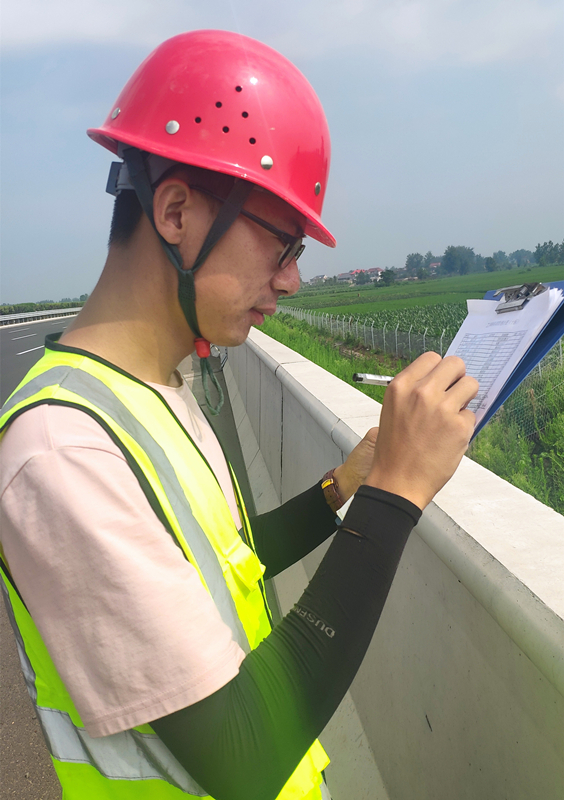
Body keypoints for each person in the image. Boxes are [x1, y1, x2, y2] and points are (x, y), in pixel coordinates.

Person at [0, 30, 478, 800]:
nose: (291, 281)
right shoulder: (61, 451)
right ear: (175, 211)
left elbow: (225, 561)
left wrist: (345, 486)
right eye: (282, 244)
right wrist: (395, 495)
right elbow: (244, 754)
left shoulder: (156, 391)